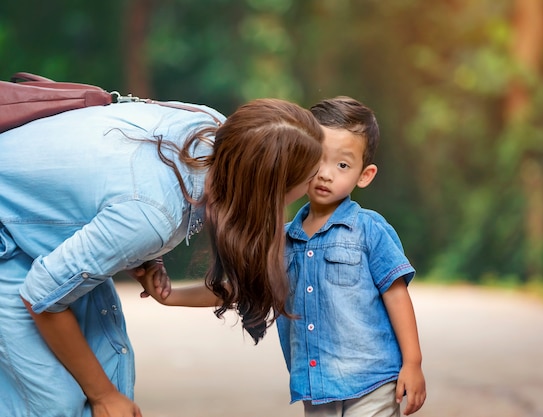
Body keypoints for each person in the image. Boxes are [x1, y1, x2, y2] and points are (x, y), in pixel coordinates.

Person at [0, 97, 323, 417]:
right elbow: (41, 296)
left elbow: (113, 184)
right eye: (308, 177)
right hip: (9, 233)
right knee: (57, 404)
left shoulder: (211, 127)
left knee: (113, 362)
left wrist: (146, 255)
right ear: (269, 188)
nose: (317, 181)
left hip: (30, 212)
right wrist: (103, 396)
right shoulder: (153, 216)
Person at [276, 96, 427, 416]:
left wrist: (413, 363)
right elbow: (238, 287)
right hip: (316, 386)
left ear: (364, 174)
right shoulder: (283, 239)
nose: (325, 174)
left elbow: (396, 295)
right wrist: (170, 295)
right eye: (316, 159)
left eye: (342, 164)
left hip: (373, 380)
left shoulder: (369, 229)